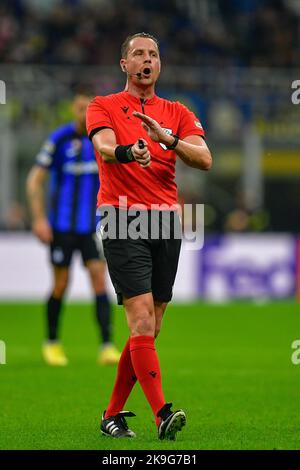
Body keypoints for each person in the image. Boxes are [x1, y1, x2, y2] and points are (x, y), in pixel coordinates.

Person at [86, 33, 212, 440]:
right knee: (141, 321)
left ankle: (111, 415)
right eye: (138, 54)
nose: (147, 60)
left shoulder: (177, 112)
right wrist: (129, 152)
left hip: (166, 223)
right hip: (122, 219)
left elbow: (204, 158)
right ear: (124, 64)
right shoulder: (102, 105)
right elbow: (104, 146)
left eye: (153, 54)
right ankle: (162, 414)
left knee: (150, 328)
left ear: (160, 64)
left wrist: (167, 140)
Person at [26, 90, 121, 366]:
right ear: (72, 109)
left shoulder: (103, 139)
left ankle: (106, 346)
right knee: (61, 283)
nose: (84, 114)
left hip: (93, 227)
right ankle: (52, 343)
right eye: (80, 108)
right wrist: (40, 219)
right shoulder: (60, 139)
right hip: (62, 227)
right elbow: (34, 180)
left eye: (89, 109)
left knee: (99, 279)